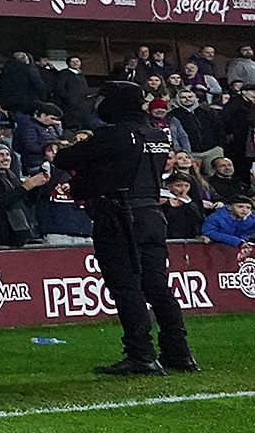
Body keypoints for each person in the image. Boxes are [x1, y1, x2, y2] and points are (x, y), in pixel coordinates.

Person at [55, 81, 200, 376]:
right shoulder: (157, 134)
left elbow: (65, 158)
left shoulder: (114, 134)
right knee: (157, 286)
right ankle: (178, 351)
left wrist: (88, 171)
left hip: (119, 215)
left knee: (126, 286)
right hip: (151, 213)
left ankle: (141, 353)